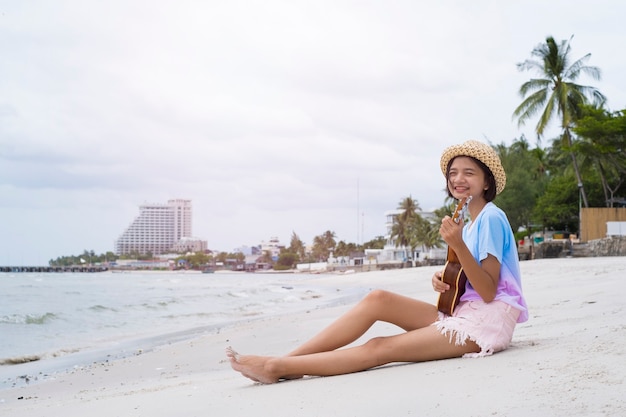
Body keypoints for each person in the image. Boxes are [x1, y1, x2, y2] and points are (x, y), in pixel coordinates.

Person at [227, 140, 528, 384]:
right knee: (378, 299)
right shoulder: (470, 221)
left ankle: (275, 367)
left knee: (380, 347)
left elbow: (489, 292)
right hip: (463, 310)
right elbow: (471, 278)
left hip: (485, 324)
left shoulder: (491, 217)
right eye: (453, 173)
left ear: (487, 181)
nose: (458, 179)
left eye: (469, 173)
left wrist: (457, 245)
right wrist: (444, 277)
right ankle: (291, 362)